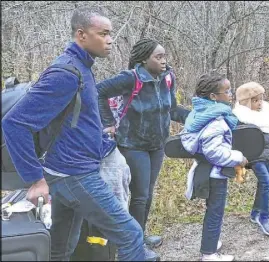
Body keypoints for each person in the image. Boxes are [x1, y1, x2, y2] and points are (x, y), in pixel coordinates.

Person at [2, 7, 147, 261]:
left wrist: (97, 135)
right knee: (131, 235)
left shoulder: (81, 67)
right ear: (81, 35)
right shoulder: (65, 73)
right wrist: (35, 179)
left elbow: (71, 118)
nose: (110, 40)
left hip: (69, 171)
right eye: (103, 33)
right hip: (74, 175)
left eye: (110, 33)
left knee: (61, 248)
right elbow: (14, 123)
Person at [96, 38, 190, 258]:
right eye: (158, 57)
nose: (164, 61)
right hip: (132, 144)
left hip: (156, 144)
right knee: (139, 195)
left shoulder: (167, 78)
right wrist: (108, 123)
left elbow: (172, 109)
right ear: (143, 59)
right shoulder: (130, 78)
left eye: (165, 56)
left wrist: (196, 118)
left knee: (146, 194)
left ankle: (140, 235)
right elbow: (98, 92)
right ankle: (134, 244)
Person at [180, 72, 247, 261]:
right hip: (215, 174)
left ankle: (211, 241)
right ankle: (208, 254)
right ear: (213, 97)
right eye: (226, 91)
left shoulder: (199, 113)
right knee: (215, 213)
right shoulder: (215, 120)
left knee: (213, 210)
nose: (231, 94)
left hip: (207, 171)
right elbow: (214, 152)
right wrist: (238, 157)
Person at [232, 81, 269, 237]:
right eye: (255, 100)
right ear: (246, 103)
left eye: (261, 99)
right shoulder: (242, 118)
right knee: (266, 184)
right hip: (255, 157)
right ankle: (265, 217)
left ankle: (255, 213)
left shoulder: (266, 117)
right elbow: (239, 140)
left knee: (264, 185)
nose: (259, 103)